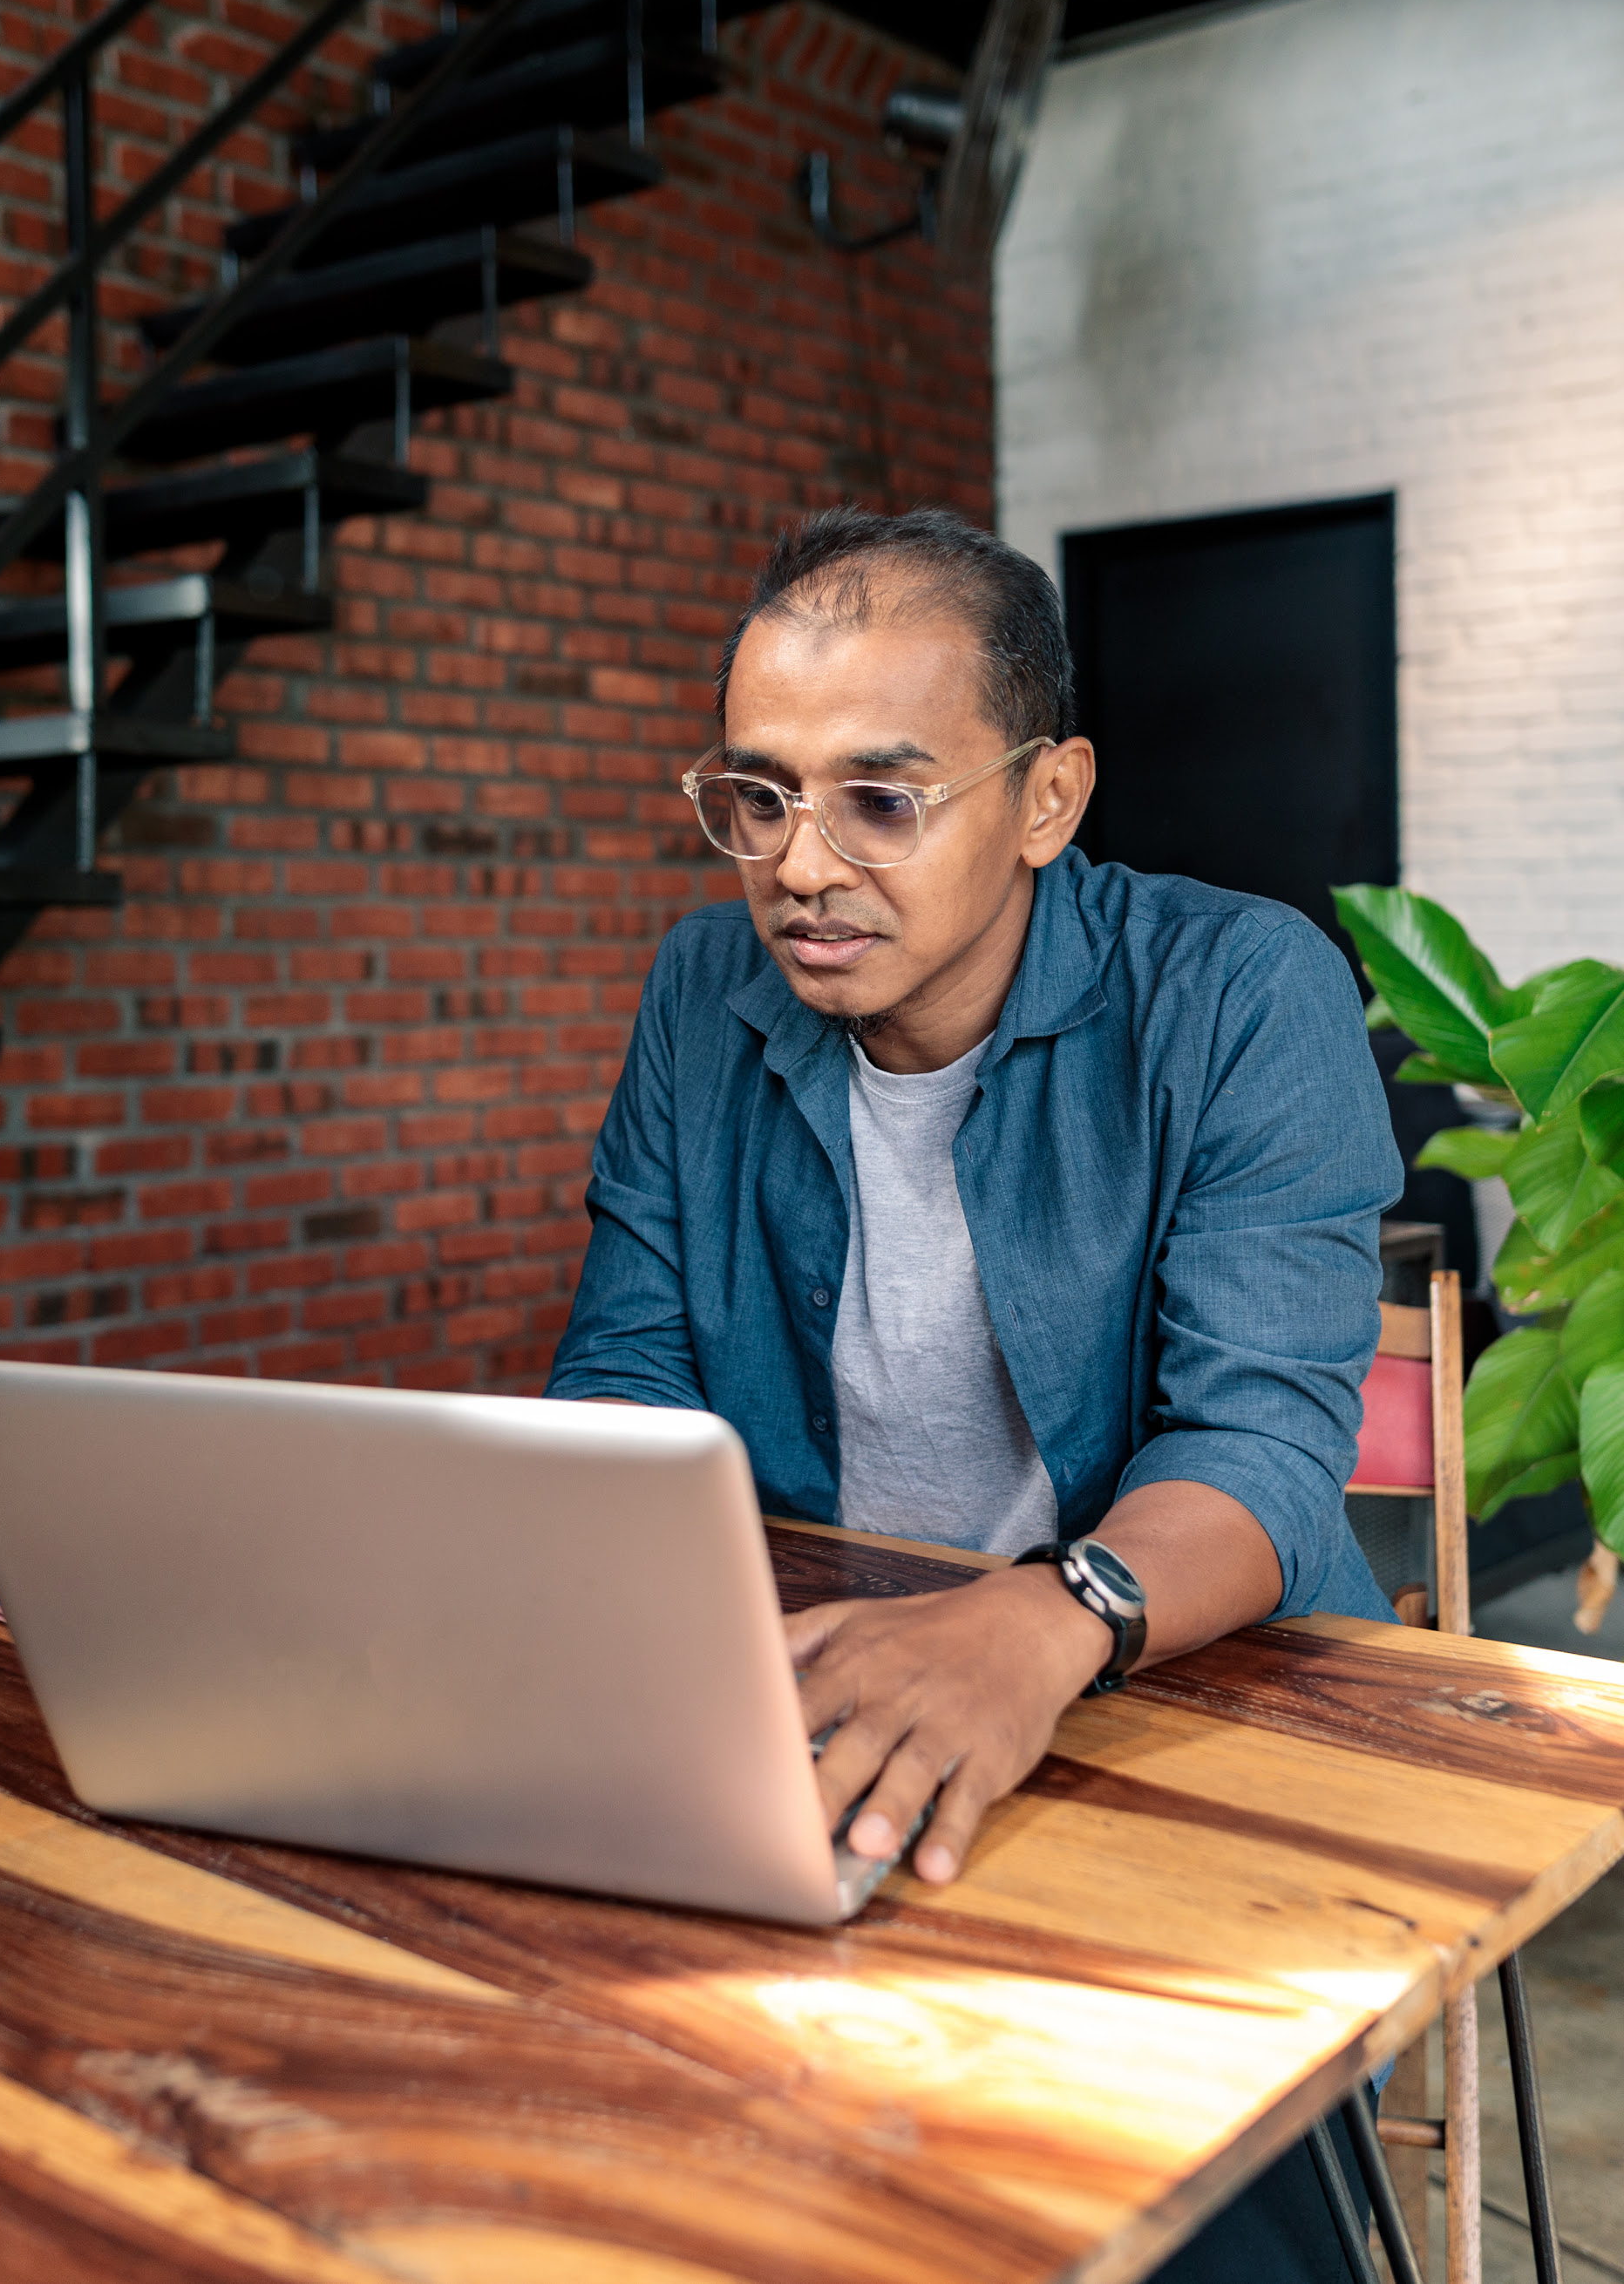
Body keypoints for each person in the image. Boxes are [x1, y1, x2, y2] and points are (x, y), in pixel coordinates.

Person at [545, 505, 1403, 2281]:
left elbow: (1261, 1446)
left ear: (1047, 800)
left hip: (1190, 1711)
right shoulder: (707, 994)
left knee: (1177, 2219)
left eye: (880, 793)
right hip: (817, 1699)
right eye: (757, 794)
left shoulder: (1243, 991)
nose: (797, 862)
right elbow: (626, 1375)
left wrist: (1045, 1618)